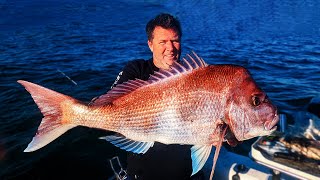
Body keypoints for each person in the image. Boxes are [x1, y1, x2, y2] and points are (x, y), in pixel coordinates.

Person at [110, 13, 203, 180]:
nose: (171, 48)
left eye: (175, 40)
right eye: (163, 42)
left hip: (187, 174)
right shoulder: (136, 70)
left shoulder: (196, 75)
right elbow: (110, 104)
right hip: (143, 174)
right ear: (150, 45)